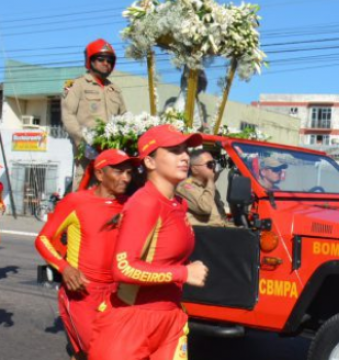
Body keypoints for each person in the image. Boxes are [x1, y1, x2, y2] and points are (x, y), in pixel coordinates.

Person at [89, 125, 210, 360]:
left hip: (170, 321)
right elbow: (123, 268)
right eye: (174, 151)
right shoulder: (145, 203)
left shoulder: (178, 204)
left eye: (185, 150)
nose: (185, 156)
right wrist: (183, 273)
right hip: (131, 323)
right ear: (150, 162)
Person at [34, 149, 138, 360]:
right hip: (83, 292)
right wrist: (65, 268)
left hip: (118, 292)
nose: (126, 178)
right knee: (100, 353)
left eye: (129, 172)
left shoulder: (132, 204)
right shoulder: (76, 201)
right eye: (119, 172)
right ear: (100, 174)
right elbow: (43, 240)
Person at [62, 38, 127, 191]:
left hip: (112, 157)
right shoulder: (77, 85)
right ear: (90, 61)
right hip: (87, 157)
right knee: (84, 198)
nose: (106, 63)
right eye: (101, 59)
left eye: (110, 60)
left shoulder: (115, 89)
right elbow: (68, 116)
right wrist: (83, 143)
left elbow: (124, 118)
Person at [176, 149, 227, 226]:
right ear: (195, 169)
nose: (214, 168)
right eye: (210, 164)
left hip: (218, 232)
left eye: (214, 164)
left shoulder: (209, 187)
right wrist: (210, 181)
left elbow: (221, 219)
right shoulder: (185, 187)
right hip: (202, 234)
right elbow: (205, 208)